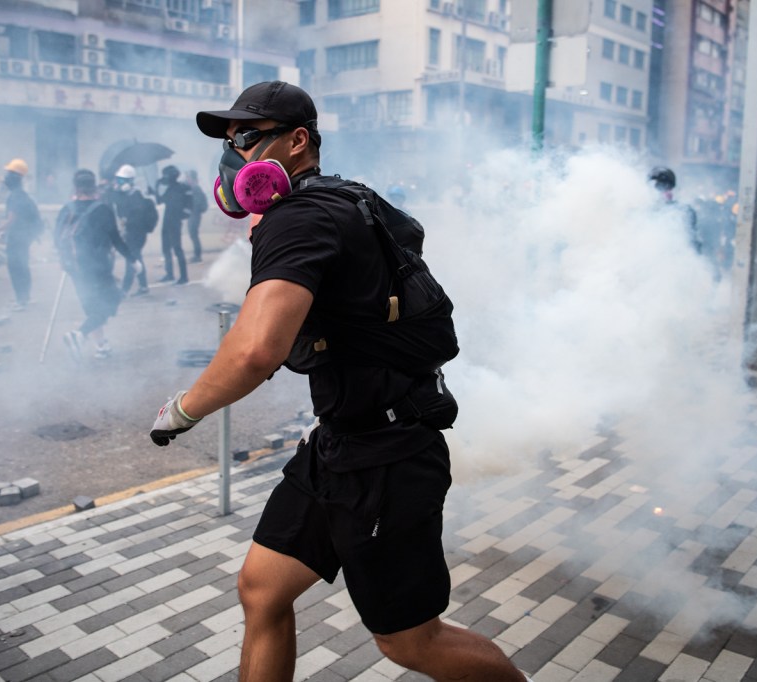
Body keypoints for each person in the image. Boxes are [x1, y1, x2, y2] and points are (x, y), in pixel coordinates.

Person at [147, 80, 530, 682]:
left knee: (410, 642)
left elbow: (254, 351)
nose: (234, 156)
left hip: (386, 460)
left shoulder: (300, 218)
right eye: (229, 142)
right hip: (340, 445)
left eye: (247, 138)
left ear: (298, 142)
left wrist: (183, 410)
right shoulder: (343, 201)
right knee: (262, 588)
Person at [56, 169, 132, 360]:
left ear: (75, 187)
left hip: (74, 268)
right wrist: (132, 259)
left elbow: (56, 238)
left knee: (91, 307)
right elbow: (115, 239)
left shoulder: (66, 209)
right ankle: (80, 334)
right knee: (110, 303)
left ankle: (101, 345)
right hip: (98, 268)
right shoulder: (102, 209)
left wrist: (64, 261)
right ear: (94, 186)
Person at [0, 159, 42, 310]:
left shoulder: (16, 196)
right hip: (21, 237)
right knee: (21, 267)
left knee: (16, 268)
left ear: (15, 177)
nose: (5, 178)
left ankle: (22, 300)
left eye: (9, 174)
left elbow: (12, 219)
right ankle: (24, 298)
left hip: (18, 238)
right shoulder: (20, 195)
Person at [109, 164, 157, 296]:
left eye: (121, 180)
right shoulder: (125, 194)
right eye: (118, 180)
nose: (119, 183)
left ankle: (125, 289)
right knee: (136, 258)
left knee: (132, 259)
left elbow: (136, 217)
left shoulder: (137, 196)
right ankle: (143, 286)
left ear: (129, 181)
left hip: (136, 233)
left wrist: (127, 222)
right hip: (130, 232)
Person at [153, 164, 191, 284]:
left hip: (175, 221)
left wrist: (182, 215)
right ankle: (169, 274)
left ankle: (184, 277)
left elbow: (188, 206)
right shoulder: (169, 188)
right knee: (165, 248)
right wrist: (156, 189)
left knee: (177, 249)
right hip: (167, 220)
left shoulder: (181, 188)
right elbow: (160, 200)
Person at [649, 166, 701, 253]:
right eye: (660, 187)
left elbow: (692, 240)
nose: (665, 192)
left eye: (667, 188)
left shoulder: (684, 211)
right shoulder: (643, 211)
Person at [183, 169, 208, 263]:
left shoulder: (195, 188)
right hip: (193, 214)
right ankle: (196, 254)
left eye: (187, 177)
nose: (186, 179)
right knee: (193, 235)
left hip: (194, 215)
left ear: (191, 178)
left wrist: (191, 210)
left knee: (193, 234)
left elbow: (196, 203)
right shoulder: (194, 187)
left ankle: (197, 255)